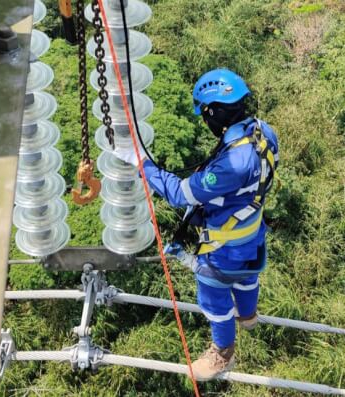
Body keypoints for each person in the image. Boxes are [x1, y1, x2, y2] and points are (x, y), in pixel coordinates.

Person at [117, 68, 279, 380]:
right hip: (253, 234)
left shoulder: (232, 164)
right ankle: (248, 315)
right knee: (248, 280)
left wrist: (143, 164)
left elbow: (181, 193)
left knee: (214, 298)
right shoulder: (262, 132)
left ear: (214, 112)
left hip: (224, 249)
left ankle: (223, 353)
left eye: (206, 114)